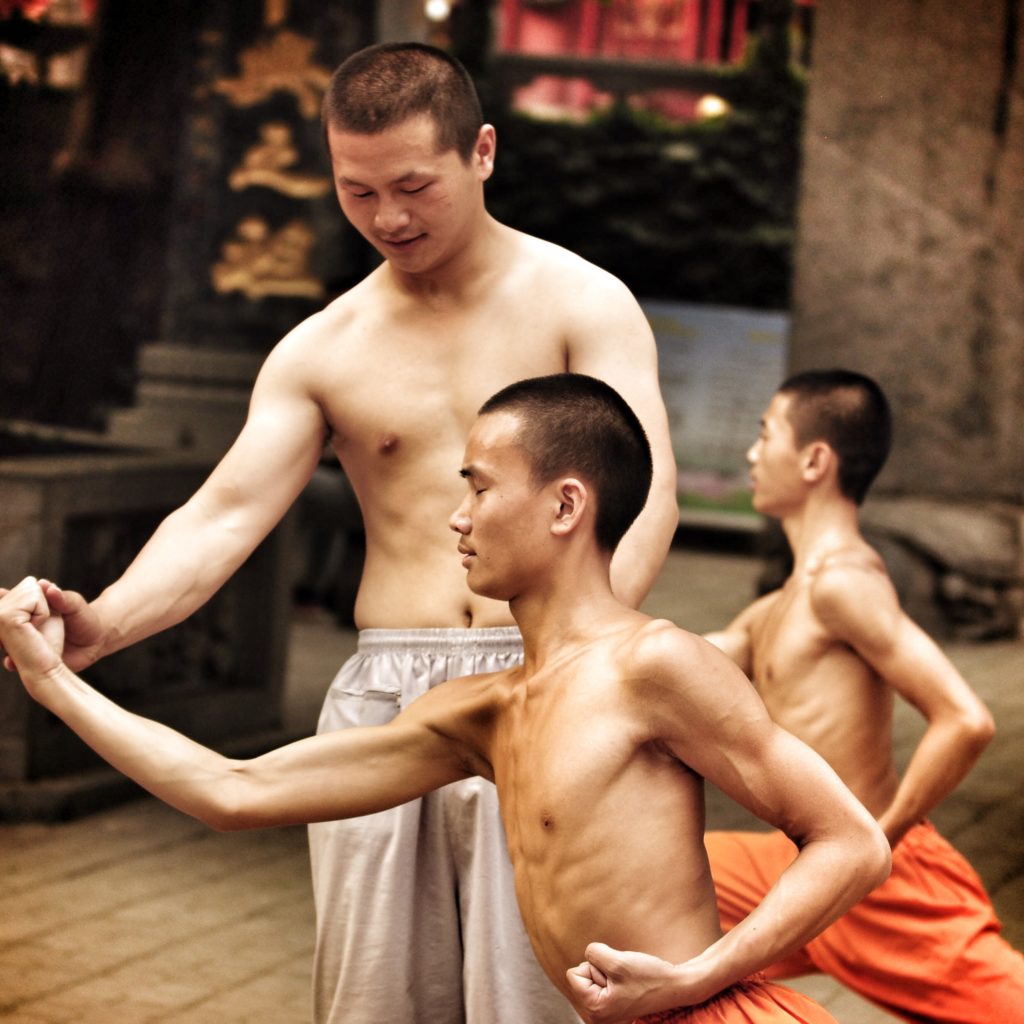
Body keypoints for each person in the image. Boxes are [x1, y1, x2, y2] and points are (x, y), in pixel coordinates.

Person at [0, 43, 679, 1024]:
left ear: (482, 152)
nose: (388, 217)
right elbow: (225, 513)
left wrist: (583, 660)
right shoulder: (323, 346)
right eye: (358, 192)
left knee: (543, 993)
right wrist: (103, 624)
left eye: (413, 186)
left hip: (548, 675)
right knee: (374, 999)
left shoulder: (581, 302)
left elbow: (643, 496)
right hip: (389, 690)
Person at [0, 373, 891, 1024]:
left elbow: (852, 842)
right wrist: (53, 682)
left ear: (566, 506)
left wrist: (702, 974)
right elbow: (234, 790)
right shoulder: (484, 714)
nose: (458, 518)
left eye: (480, 487)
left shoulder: (653, 664)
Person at [700, 368, 1024, 1022]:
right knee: (640, 880)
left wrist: (875, 843)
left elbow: (966, 720)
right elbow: (675, 660)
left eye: (767, 434)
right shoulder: (782, 603)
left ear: (814, 461)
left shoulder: (843, 583)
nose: (752, 454)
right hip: (796, 865)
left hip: (880, 879)